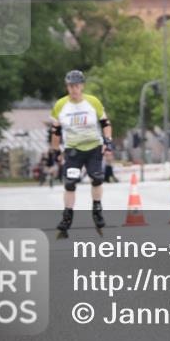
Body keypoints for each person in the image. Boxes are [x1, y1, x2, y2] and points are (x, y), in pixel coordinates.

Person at [49, 70, 116, 231]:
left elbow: (105, 123)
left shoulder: (93, 102)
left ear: (82, 86)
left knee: (97, 178)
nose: (74, 89)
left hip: (94, 147)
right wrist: (55, 151)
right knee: (70, 183)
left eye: (77, 86)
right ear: (67, 87)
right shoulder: (60, 105)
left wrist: (108, 141)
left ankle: (97, 210)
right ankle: (67, 217)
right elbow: (56, 132)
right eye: (70, 86)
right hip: (73, 150)